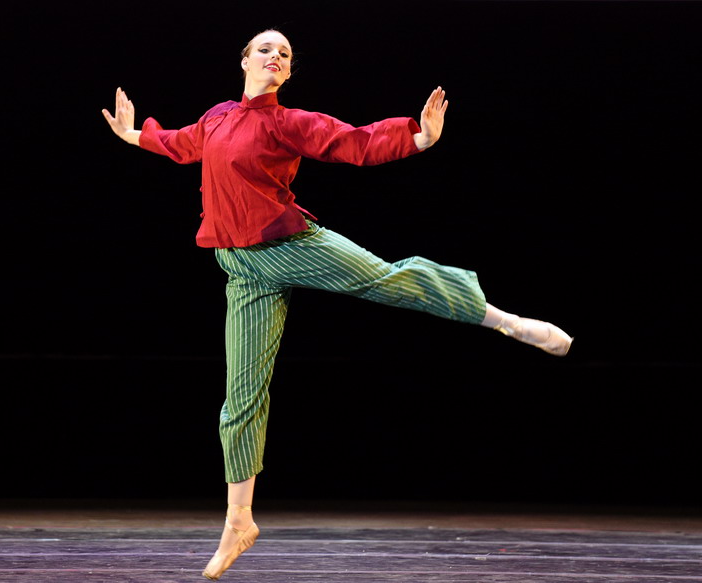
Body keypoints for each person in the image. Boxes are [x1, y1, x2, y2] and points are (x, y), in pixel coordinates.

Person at [102, 28, 573, 581]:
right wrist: (135, 134)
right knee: (241, 398)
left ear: (288, 72)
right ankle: (238, 522)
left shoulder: (286, 122)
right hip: (240, 268)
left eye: (284, 54)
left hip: (292, 247)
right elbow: (183, 144)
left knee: (388, 280)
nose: (275, 56)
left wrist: (418, 138)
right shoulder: (217, 117)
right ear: (245, 60)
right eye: (265, 49)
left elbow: (353, 141)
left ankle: (502, 319)